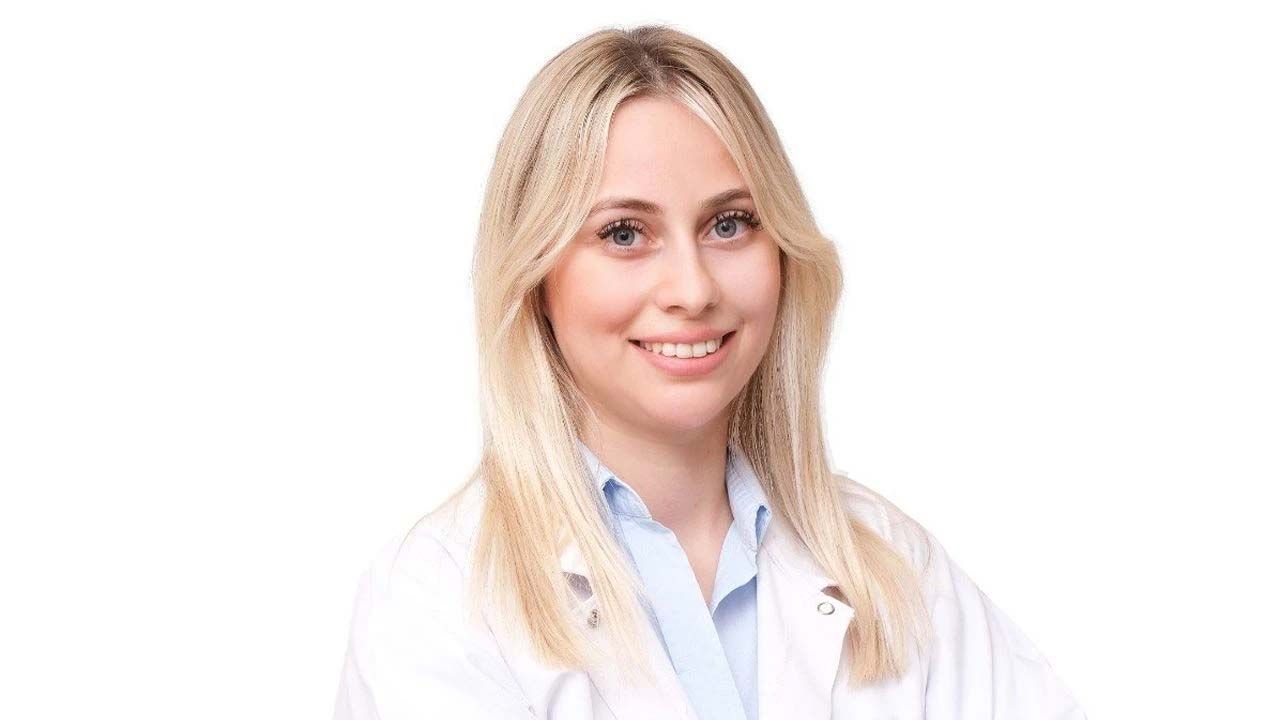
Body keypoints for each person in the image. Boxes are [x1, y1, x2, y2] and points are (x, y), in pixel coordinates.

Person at [333, 24, 1086, 720]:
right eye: (624, 234)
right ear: (536, 278)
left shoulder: (891, 564)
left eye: (729, 224)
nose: (692, 290)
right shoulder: (439, 599)